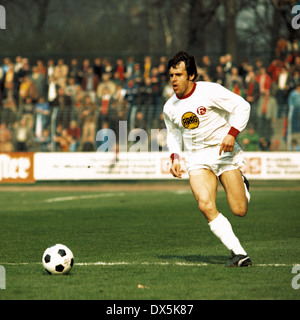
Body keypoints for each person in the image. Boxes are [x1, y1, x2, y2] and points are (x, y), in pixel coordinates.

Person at [163, 51, 252, 267]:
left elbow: (243, 106)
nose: (174, 79)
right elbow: (173, 133)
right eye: (172, 75)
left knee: (239, 210)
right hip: (196, 158)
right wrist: (175, 157)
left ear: (191, 75)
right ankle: (240, 253)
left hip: (223, 153)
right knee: (205, 205)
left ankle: (242, 181)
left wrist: (232, 133)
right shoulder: (169, 107)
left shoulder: (210, 91)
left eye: (179, 74)